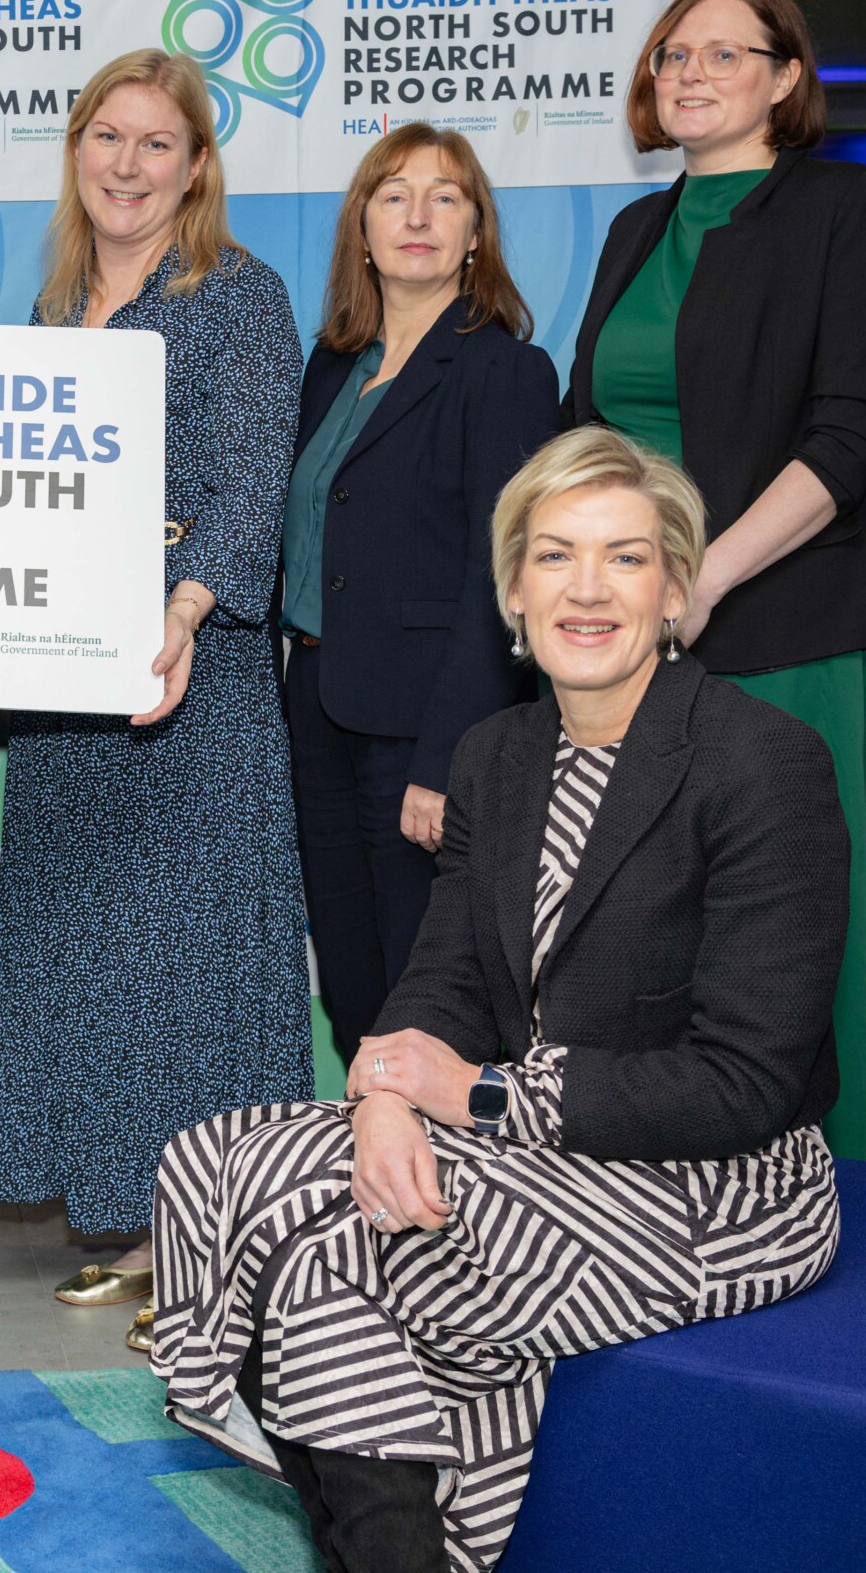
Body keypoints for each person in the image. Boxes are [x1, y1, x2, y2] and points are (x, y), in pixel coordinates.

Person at [149, 427, 846, 1573]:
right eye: (554, 556)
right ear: (511, 591)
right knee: (208, 1157)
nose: (586, 589)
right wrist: (382, 1094)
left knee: (333, 1261)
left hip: (717, 1185)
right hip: (535, 1146)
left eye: (624, 559)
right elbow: (449, 977)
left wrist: (469, 1098)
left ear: (675, 586)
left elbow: (746, 1082)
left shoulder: (759, 763)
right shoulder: (497, 755)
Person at [0, 49, 311, 1353]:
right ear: (77, 151)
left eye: (155, 144)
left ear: (196, 166)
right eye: (106, 138)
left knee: (194, 964)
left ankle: (213, 1242)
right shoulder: (54, 302)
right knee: (93, 957)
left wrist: (180, 609)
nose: (126, 164)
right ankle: (133, 1222)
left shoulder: (239, 295)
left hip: (192, 678)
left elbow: (250, 481)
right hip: (69, 691)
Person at [567, 0, 866, 1165]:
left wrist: (702, 576)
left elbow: (848, 437)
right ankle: (676, 1191)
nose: (692, 75)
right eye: (674, 55)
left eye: (725, 54)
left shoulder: (845, 210)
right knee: (651, 930)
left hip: (780, 632)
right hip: (627, 635)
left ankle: (848, 1179)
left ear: (784, 79)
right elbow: (591, 429)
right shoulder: (637, 227)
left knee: (791, 931)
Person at [283, 124, 561, 1064]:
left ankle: (449, 1200)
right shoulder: (332, 365)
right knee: (354, 979)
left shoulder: (507, 371)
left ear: (476, 231)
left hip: (422, 732)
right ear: (361, 227)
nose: (419, 215)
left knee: (425, 982)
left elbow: (505, 580)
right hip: (317, 710)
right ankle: (381, 1181)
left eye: (446, 197)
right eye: (394, 193)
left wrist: (446, 760)